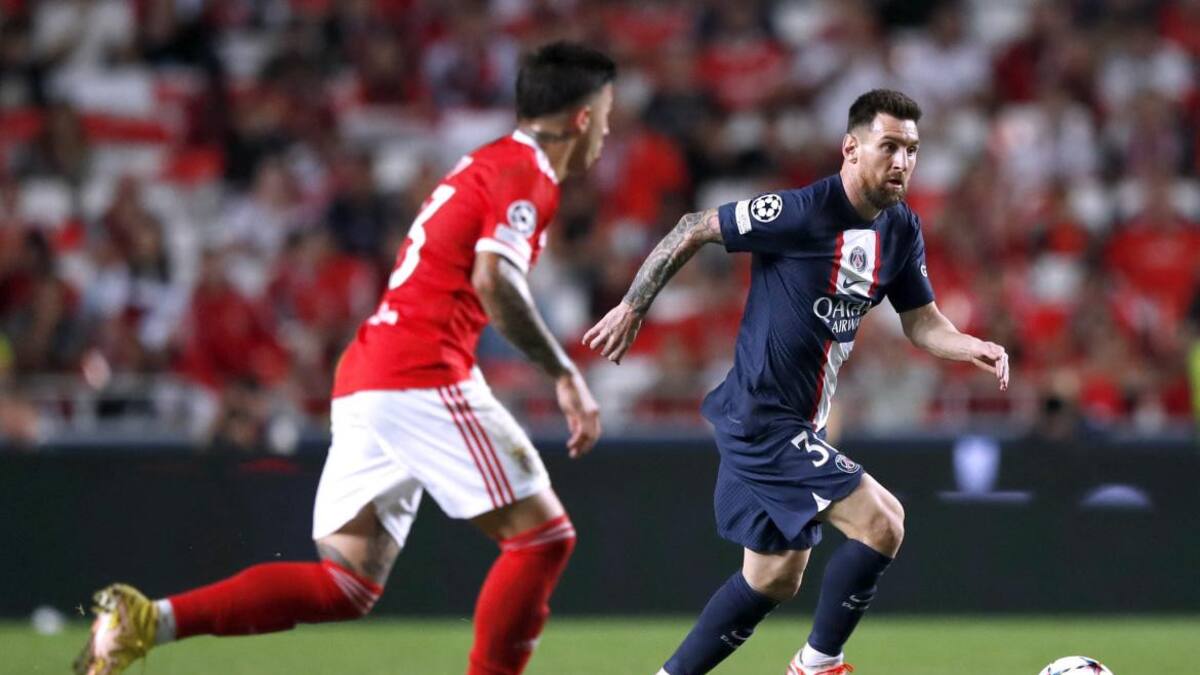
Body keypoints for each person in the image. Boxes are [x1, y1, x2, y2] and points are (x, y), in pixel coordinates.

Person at [75, 41, 615, 675]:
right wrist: (565, 374)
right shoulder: (528, 173)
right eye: (607, 113)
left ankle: (147, 621)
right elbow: (494, 278)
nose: (608, 129)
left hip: (371, 373)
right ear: (583, 117)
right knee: (543, 540)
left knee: (346, 585)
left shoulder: (488, 163)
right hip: (422, 371)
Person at [584, 89, 1009, 675]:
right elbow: (692, 227)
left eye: (912, 149)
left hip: (791, 423)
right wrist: (634, 306)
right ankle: (818, 664)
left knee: (773, 577)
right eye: (889, 146)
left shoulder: (901, 228)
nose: (903, 162)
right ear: (851, 149)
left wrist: (970, 346)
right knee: (883, 521)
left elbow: (921, 322)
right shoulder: (802, 212)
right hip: (762, 417)